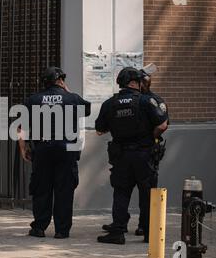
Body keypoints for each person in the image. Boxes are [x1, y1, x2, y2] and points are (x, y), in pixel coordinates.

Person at [95, 67, 168, 244]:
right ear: (135, 82)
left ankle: (117, 232)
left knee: (121, 192)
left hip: (121, 155)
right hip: (144, 154)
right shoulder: (146, 101)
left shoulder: (109, 104)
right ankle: (148, 232)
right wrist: (150, 137)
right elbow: (163, 124)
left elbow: (99, 130)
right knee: (147, 193)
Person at [18, 66, 91, 239]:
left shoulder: (33, 99)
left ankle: (39, 227)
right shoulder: (71, 98)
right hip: (66, 149)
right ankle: (62, 230)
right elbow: (86, 110)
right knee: (64, 190)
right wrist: (67, 91)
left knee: (41, 188)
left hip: (43, 149)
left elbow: (21, 126)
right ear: (60, 80)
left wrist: (23, 148)